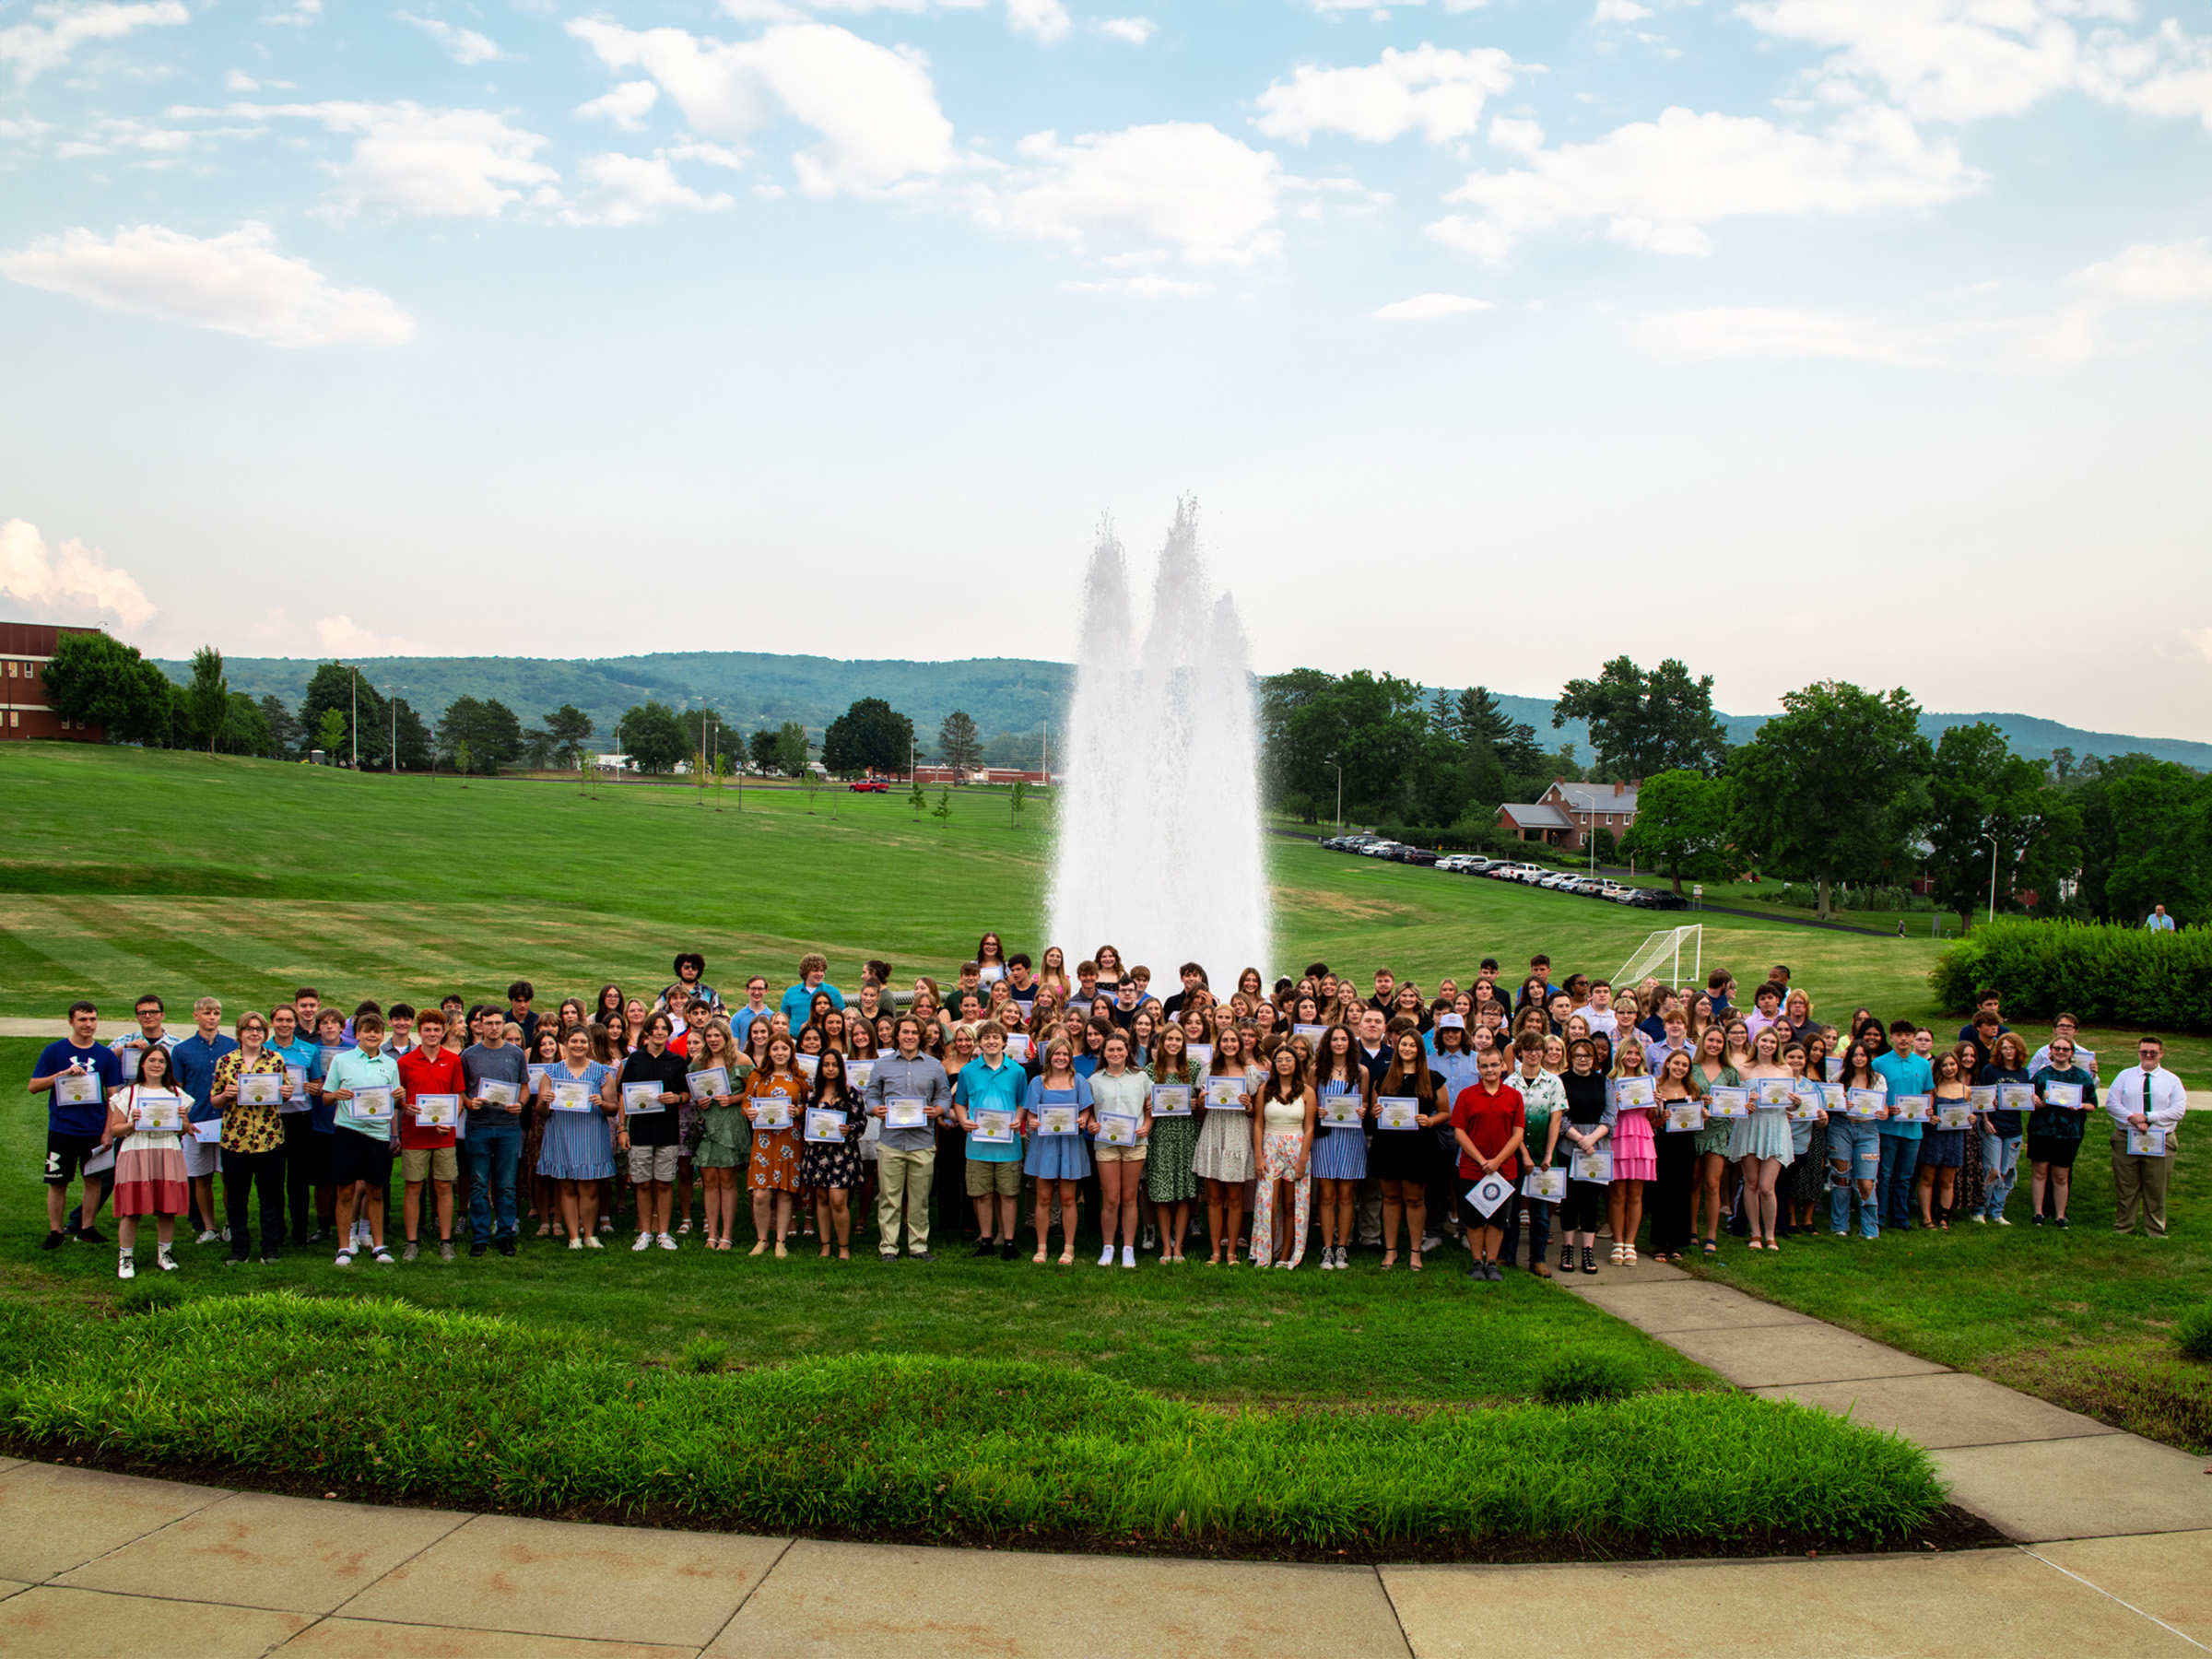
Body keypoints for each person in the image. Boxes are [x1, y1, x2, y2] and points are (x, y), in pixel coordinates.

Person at [30, 1001, 124, 1251]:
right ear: (71, 1021)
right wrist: (60, 1075)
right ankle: (55, 1231)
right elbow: (33, 1086)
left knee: (93, 1180)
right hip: (62, 1129)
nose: (88, 1024)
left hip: (94, 1130)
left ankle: (86, 1228)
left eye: (92, 1019)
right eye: (82, 1019)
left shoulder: (105, 1056)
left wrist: (107, 1132)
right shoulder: (54, 1051)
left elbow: (113, 1098)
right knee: (58, 1181)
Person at [865, 1014, 951, 1263]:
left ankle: (918, 1246)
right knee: (890, 1198)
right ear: (897, 1036)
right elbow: (871, 1095)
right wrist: (874, 1109)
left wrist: (938, 1110)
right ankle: (888, 1247)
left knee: (919, 1199)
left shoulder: (934, 1066)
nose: (910, 1037)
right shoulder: (882, 1065)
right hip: (891, 1142)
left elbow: (944, 1097)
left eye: (914, 1032)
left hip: (922, 1143)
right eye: (905, 1032)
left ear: (921, 1036)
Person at [102, 1041, 188, 1277]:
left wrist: (182, 1119)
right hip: (137, 1150)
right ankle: (126, 1257)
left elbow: (185, 1129)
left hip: (167, 1150)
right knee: (132, 1208)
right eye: (152, 1060)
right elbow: (115, 1129)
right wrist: (132, 1122)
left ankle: (165, 1253)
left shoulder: (176, 1093)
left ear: (167, 1066)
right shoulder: (129, 1093)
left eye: (161, 1061)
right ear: (142, 1064)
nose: (157, 1065)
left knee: (166, 1207)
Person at [323, 1013, 402, 1267]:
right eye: (367, 1030)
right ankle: (344, 1247)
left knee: (376, 1191)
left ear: (382, 1035)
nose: (372, 1035)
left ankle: (379, 1246)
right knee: (345, 1190)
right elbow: (325, 1097)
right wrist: (336, 1094)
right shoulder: (341, 1060)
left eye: (377, 1031)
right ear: (357, 1034)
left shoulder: (389, 1063)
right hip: (348, 1131)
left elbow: (396, 1101)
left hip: (377, 1134)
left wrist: (400, 1096)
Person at [210, 1010, 288, 1264]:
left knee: (272, 1198)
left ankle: (270, 1248)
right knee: (235, 1199)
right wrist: (227, 1094)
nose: (254, 1033)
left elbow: (284, 1093)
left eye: (259, 1029)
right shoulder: (226, 1061)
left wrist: (286, 1092)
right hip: (235, 1139)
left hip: (269, 1138)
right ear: (240, 1033)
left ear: (265, 1034)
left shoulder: (275, 1060)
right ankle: (240, 1249)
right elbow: (214, 1099)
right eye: (249, 1029)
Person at [1451, 1046, 1526, 1283]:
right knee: (1473, 1217)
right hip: (1473, 1167)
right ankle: (1476, 1262)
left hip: (1504, 1168)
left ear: (1503, 1066)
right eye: (1485, 1065)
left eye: (1494, 1065)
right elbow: (1459, 1132)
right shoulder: (1467, 1095)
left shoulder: (1514, 1096)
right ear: (1478, 1068)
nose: (1490, 1069)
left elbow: (1518, 1134)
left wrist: (1497, 1161)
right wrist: (1482, 1160)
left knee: (1497, 1217)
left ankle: (1492, 1263)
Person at [952, 1022, 1026, 1260]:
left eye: (996, 1037)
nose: (991, 1041)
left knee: (1008, 1194)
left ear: (1004, 1042)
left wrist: (1019, 1118)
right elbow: (960, 1101)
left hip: (1008, 1147)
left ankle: (1009, 1242)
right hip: (977, 1145)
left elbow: (1022, 1102)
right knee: (982, 1194)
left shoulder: (1017, 1071)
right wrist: (963, 1121)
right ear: (979, 1042)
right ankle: (985, 1240)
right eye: (986, 1038)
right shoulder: (968, 1071)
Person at [461, 1003, 529, 1257]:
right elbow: (461, 1089)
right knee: (479, 1184)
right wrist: (469, 1103)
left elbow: (524, 1086)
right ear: (480, 1024)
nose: (493, 1027)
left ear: (503, 1023)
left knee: (507, 1185)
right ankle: (479, 1237)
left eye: (498, 1023)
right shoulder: (469, 1055)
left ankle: (505, 1234)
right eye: (488, 1023)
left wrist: (520, 1104)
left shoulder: (515, 1054)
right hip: (478, 1126)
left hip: (508, 1128)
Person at [1021, 1037, 1095, 1265]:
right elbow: (1031, 1114)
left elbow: (1087, 1111)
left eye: (1065, 1054)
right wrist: (1032, 1122)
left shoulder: (1079, 1081)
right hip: (1046, 1144)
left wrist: (1082, 1120)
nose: (1061, 1058)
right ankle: (1041, 1248)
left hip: (1070, 1143)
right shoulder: (1037, 1082)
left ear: (1070, 1057)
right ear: (1049, 1057)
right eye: (1057, 1054)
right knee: (1043, 1197)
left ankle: (1068, 1248)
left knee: (1067, 1198)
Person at [620, 1011, 690, 1252]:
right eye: (656, 1028)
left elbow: (687, 1094)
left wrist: (677, 1097)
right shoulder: (635, 1061)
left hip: (667, 1130)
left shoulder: (676, 1061)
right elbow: (623, 1095)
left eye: (664, 1029)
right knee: (642, 1183)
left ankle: (663, 1232)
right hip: (640, 1130)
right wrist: (622, 1128)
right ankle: (645, 1232)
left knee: (664, 1182)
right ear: (648, 1031)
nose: (660, 1032)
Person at [171, 997, 239, 1245]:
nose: (212, 1017)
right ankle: (209, 1227)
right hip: (197, 1122)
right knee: (201, 1177)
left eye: (217, 1012)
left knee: (228, 1176)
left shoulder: (233, 1047)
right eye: (207, 1013)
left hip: (228, 1121)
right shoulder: (182, 1050)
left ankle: (231, 1224)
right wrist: (184, 1122)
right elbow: (178, 1089)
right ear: (196, 1016)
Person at [1192, 1023, 1261, 1266]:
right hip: (1213, 1132)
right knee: (1213, 1198)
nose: (1229, 1044)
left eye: (1234, 1040)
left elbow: (1255, 1113)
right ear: (1218, 1044)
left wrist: (1248, 1105)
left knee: (1235, 1198)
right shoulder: (1208, 1070)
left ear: (1240, 1044)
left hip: (1237, 1134)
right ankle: (1215, 1251)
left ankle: (1231, 1251)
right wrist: (1201, 1101)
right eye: (1225, 1041)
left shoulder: (1250, 1073)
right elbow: (1201, 1112)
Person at [2107, 1036, 2187, 1238]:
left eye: (2153, 1052)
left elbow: (2178, 1110)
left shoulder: (2172, 1080)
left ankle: (2155, 1230)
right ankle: (2123, 1227)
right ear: (2138, 1052)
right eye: (2144, 1052)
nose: (2148, 1056)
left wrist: (2149, 1117)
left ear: (2161, 1053)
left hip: (2160, 1139)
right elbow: (2112, 1104)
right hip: (2127, 1137)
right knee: (2126, 1186)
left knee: (2156, 1187)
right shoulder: (2125, 1076)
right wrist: (2133, 1119)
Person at [1249, 1040, 1316, 1270]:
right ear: (1274, 1064)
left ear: (1296, 1064)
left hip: (1296, 1148)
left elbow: (1309, 1128)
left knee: (1291, 1205)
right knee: (1268, 1204)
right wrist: (1258, 1155)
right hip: (1269, 1146)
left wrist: (1303, 1160)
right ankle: (1264, 1253)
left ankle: (1287, 1254)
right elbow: (1258, 1124)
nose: (1284, 1063)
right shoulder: (1264, 1090)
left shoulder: (1307, 1092)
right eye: (1279, 1060)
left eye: (1289, 1060)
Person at [1309, 1025, 1370, 1272]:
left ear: (1350, 1043)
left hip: (1350, 1137)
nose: (1339, 1043)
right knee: (1326, 1195)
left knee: (1346, 1195)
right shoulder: (1316, 1071)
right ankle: (1327, 1247)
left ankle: (1342, 1247)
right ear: (1327, 1042)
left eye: (1344, 1039)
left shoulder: (1361, 1072)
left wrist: (1362, 1111)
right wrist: (1316, 1110)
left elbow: (1364, 1103)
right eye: (1334, 1039)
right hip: (1325, 1138)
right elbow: (1307, 1101)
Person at [688, 1018, 751, 1251]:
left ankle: (727, 1234)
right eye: (709, 1036)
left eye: (717, 1036)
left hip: (730, 1125)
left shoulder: (741, 1060)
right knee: (709, 1181)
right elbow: (693, 1091)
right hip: (707, 1123)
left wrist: (733, 1098)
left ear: (726, 1037)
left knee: (727, 1181)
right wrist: (699, 1099)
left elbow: (753, 1092)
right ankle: (711, 1233)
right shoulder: (698, 1061)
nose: (713, 1040)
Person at [1088, 1028, 1148, 1268]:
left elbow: (1150, 1108)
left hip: (1135, 1143)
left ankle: (1128, 1249)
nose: (1115, 1053)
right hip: (1106, 1144)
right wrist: (1092, 1124)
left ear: (1127, 1051)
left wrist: (1148, 1126)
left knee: (1129, 1198)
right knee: (1111, 1199)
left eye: (1119, 1049)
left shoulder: (1141, 1077)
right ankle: (1108, 1247)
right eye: (1110, 1049)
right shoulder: (1094, 1080)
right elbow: (1087, 1111)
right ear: (1104, 1052)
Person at [1731, 1024, 1794, 1252]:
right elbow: (1735, 1104)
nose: (1768, 1045)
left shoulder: (1785, 1070)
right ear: (1756, 1041)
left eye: (1773, 1042)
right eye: (1764, 1040)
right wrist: (1746, 1102)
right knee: (1751, 1182)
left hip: (1775, 1126)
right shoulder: (1743, 1069)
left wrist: (1795, 1103)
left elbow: (1791, 1103)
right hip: (1751, 1126)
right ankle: (1755, 1234)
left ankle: (1770, 1234)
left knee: (1767, 1187)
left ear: (1777, 1046)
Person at [746, 1033, 810, 1256]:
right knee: (761, 1193)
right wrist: (749, 1112)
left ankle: (780, 1241)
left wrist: (799, 1111)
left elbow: (809, 1106)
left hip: (789, 1141)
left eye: (785, 1048)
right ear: (769, 1052)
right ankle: (762, 1239)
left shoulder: (801, 1078)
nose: (780, 1053)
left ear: (791, 1052)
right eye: (775, 1049)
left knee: (784, 1192)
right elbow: (746, 1103)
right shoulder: (757, 1076)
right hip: (764, 1141)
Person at [1143, 1023, 1203, 1264]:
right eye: (1169, 1039)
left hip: (1187, 1135)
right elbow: (1144, 1103)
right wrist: (1148, 1105)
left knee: (1183, 1193)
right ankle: (1166, 1247)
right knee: (1163, 1194)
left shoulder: (1194, 1068)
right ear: (1162, 1042)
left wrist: (1198, 1103)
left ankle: (1178, 1246)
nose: (1174, 1043)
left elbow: (1201, 1100)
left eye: (1178, 1039)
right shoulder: (1149, 1071)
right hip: (1161, 1137)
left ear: (1183, 1043)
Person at [1504, 1035, 1563, 1274]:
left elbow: (1555, 1119)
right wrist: (1524, 1154)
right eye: (1528, 1049)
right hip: (1515, 1154)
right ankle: (1507, 1256)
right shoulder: (1510, 1083)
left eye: (1539, 1049)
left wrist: (1548, 1154)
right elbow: (1510, 1124)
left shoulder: (1554, 1083)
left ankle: (1537, 1259)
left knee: (1540, 1212)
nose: (1534, 1053)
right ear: (1520, 1052)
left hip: (1544, 1156)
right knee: (1513, 1207)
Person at [800, 1050, 865, 1259]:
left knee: (838, 1200)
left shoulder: (852, 1093)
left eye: (834, 1065)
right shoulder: (812, 1094)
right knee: (821, 1198)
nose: (830, 1069)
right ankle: (825, 1245)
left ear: (840, 1068)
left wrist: (850, 1130)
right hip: (818, 1154)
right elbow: (805, 1124)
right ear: (820, 1069)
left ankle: (844, 1247)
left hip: (843, 1154)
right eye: (826, 1065)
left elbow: (862, 1123)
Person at [2027, 1035, 2097, 1227]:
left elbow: (2093, 1104)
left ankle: (2059, 1215)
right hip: (2042, 1130)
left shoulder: (2081, 1076)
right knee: (2040, 1173)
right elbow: (2031, 1105)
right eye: (2057, 1048)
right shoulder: (2042, 1075)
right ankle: (2038, 1213)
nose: (2061, 1052)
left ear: (2072, 1053)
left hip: (2068, 1132)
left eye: (2065, 1049)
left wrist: (2080, 1106)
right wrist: (2042, 1101)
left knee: (2061, 1176)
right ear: (2050, 1051)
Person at [1871, 1018, 1932, 1231]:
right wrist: (1887, 1107)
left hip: (1913, 1129)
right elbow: (1873, 1094)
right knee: (1884, 1174)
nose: (1903, 1039)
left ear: (1913, 1037)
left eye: (1907, 1034)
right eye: (1899, 1035)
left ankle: (1901, 1218)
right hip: (1887, 1127)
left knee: (1905, 1176)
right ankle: (1878, 1217)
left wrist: (1928, 1108)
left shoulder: (1923, 1065)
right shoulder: (1879, 1063)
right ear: (1892, 1037)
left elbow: (1927, 1092)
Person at [1606, 1036, 1658, 1264]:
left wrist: (1656, 1103)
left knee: (1636, 1194)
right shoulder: (1610, 1080)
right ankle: (1617, 1243)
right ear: (1621, 1055)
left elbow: (1652, 1117)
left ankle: (1631, 1243)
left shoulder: (1649, 1080)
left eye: (1637, 1054)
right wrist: (1613, 1101)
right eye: (1629, 1053)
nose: (1633, 1057)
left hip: (1641, 1135)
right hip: (1618, 1135)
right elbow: (1605, 1115)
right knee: (1618, 1194)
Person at [1975, 1030, 2031, 1225]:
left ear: (2018, 1050)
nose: (2008, 1051)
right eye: (2004, 1048)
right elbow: (1982, 1097)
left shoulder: (2023, 1073)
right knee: (1991, 1169)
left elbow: (2024, 1100)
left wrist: (2030, 1100)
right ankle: (1980, 1209)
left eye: (2012, 1048)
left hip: (2014, 1128)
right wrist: (1985, 1120)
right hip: (1993, 1127)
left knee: (2007, 1171)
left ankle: (1997, 1210)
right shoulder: (1990, 1070)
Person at [1914, 1047, 1972, 1231]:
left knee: (1947, 1181)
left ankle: (1944, 1217)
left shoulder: (1966, 1090)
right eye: (1945, 1065)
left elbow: (1969, 1113)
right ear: (1938, 1068)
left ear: (1958, 1066)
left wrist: (1971, 1118)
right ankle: (1926, 1217)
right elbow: (1923, 1111)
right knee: (1927, 1179)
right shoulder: (1932, 1089)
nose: (1949, 1068)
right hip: (1933, 1137)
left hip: (1955, 1138)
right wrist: (1929, 1117)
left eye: (1952, 1064)